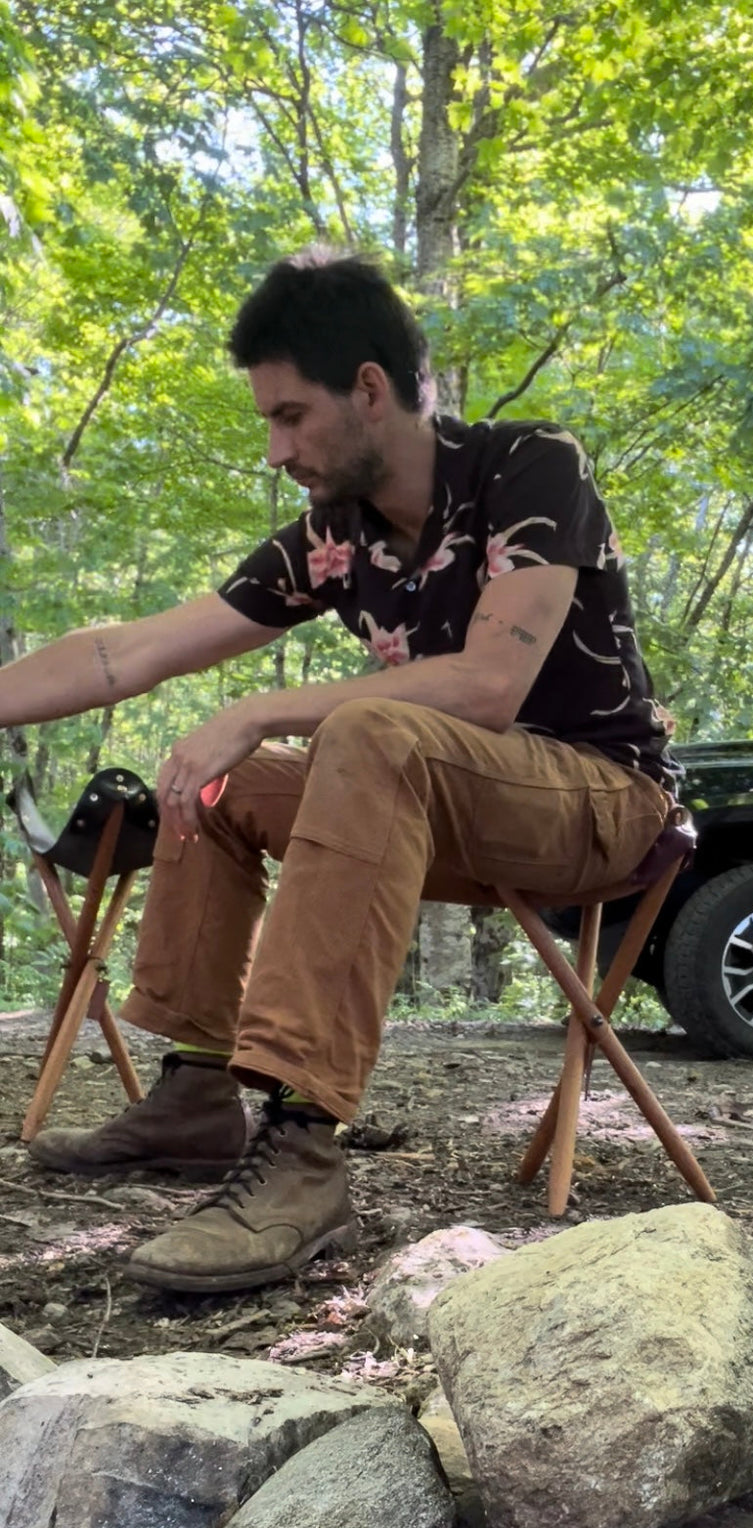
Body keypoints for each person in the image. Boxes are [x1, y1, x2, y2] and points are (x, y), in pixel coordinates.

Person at [11, 249, 677, 1293]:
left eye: (288, 416)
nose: (275, 450)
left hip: (598, 799)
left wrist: (264, 703)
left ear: (369, 388)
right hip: (443, 798)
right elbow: (127, 650)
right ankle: (193, 1091)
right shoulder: (337, 540)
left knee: (358, 729)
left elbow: (492, 684)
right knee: (219, 777)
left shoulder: (527, 466)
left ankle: (303, 1148)